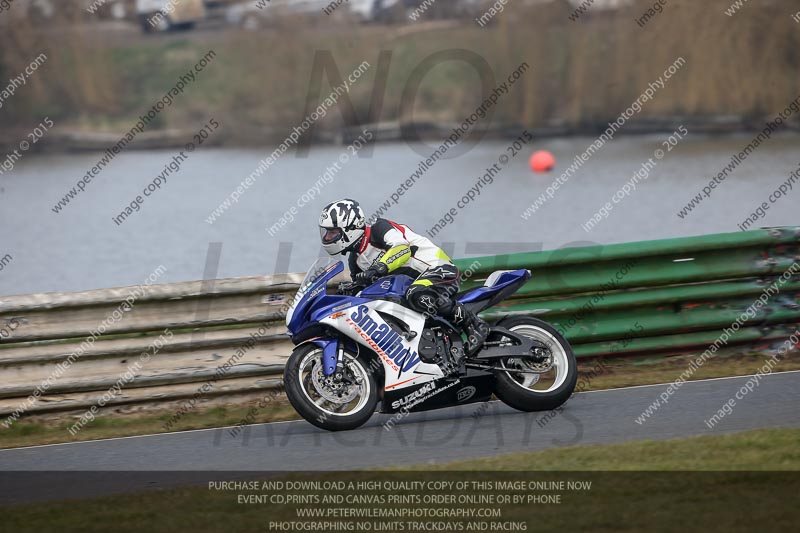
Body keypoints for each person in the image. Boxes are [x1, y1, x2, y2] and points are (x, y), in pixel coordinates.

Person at [318, 199, 489, 366]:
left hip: (438, 269)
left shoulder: (379, 229)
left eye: (332, 232)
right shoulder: (355, 260)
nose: (327, 237)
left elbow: (402, 248)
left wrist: (378, 268)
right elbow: (363, 289)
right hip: (413, 284)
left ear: (350, 228)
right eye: (326, 232)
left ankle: (475, 324)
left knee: (416, 294)